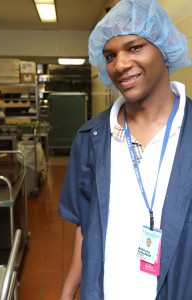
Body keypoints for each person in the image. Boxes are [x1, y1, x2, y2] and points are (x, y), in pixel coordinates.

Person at [59, 0, 192, 299]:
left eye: (134, 48)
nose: (120, 64)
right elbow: (85, 223)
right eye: (110, 55)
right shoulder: (92, 137)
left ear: (165, 49)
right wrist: (69, 289)